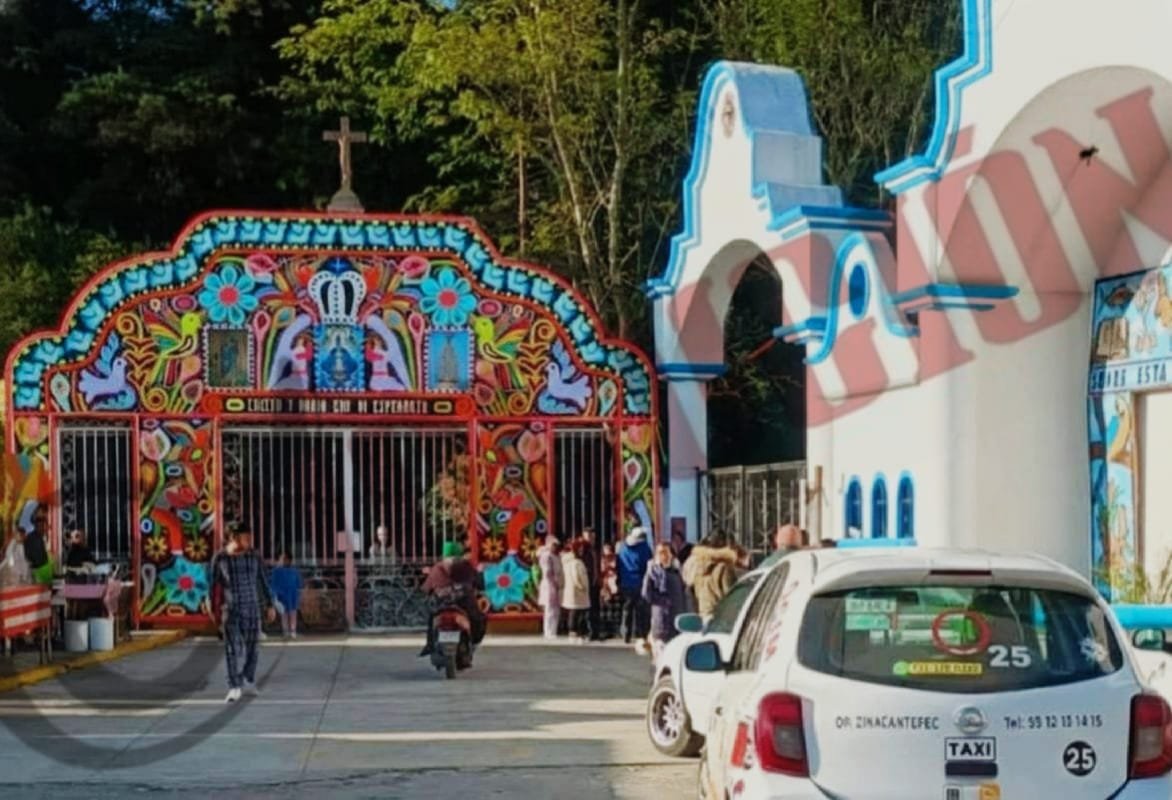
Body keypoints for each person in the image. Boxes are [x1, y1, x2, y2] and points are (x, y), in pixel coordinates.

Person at [211, 528, 276, 703]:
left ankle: (248, 678)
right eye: (245, 538)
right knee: (232, 649)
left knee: (252, 648)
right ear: (233, 538)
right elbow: (213, 586)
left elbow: (263, 580)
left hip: (252, 608)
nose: (249, 541)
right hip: (230, 610)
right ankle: (234, 686)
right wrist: (214, 612)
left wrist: (270, 604)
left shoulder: (254, 556)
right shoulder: (220, 558)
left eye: (249, 538)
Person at [420, 540, 485, 655]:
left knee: (431, 620)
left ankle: (430, 645)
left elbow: (426, 589)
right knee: (478, 619)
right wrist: (479, 574)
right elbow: (479, 584)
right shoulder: (465, 566)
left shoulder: (437, 568)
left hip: (441, 603)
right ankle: (473, 644)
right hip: (464, 603)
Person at [643, 542, 689, 661]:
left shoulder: (678, 571)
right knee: (661, 658)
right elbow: (646, 593)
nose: (663, 555)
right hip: (661, 620)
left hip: (678, 618)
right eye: (660, 553)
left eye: (666, 552)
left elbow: (684, 592)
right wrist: (663, 601)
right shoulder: (653, 571)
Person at [683, 533, 742, 618]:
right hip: (721, 617)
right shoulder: (724, 568)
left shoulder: (697, 567)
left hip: (704, 615)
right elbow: (731, 598)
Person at [617, 527, 653, 651]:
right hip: (639, 582)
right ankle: (640, 634)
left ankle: (625, 633)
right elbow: (647, 565)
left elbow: (618, 564)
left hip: (626, 582)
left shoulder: (622, 548)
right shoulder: (644, 548)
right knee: (640, 610)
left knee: (627, 608)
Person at [561, 540, 590, 642]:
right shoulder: (576, 563)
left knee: (573, 612)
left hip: (570, 590)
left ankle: (573, 633)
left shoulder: (566, 562)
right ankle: (576, 633)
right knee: (578, 612)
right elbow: (576, 577)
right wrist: (582, 586)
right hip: (578, 592)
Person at [269, 552, 302, 639]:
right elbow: (273, 584)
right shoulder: (277, 571)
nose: (283, 561)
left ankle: (292, 630)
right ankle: (286, 631)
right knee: (284, 613)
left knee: (292, 613)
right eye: (281, 559)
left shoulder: (293, 571)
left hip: (292, 595)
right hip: (283, 595)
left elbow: (299, 583)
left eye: (284, 559)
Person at [537, 536, 564, 640]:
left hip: (555, 584)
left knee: (556, 609)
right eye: (554, 545)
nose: (555, 547)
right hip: (549, 584)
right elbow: (547, 571)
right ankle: (548, 631)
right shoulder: (547, 556)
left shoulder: (556, 556)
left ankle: (554, 630)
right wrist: (554, 580)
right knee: (549, 608)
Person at [577, 527, 602, 640]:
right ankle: (586, 631)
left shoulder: (595, 549)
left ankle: (595, 631)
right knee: (586, 609)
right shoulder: (582, 549)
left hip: (595, 582)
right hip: (586, 582)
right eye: (588, 536)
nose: (591, 538)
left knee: (595, 608)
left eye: (592, 536)